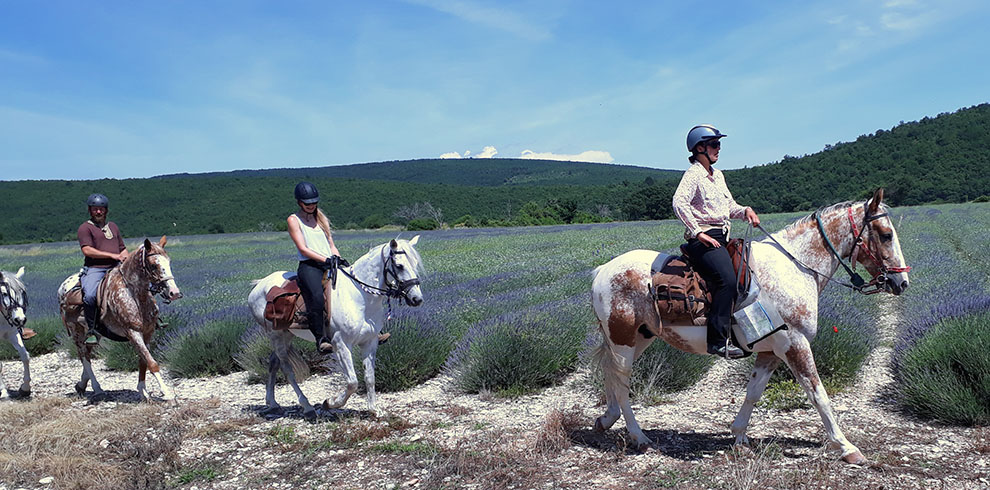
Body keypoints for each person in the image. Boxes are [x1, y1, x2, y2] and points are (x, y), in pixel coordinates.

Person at [672, 125, 760, 359]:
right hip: (704, 240)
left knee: (749, 276)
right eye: (714, 144)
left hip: (723, 236)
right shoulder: (693, 175)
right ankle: (717, 341)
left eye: (719, 144)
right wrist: (697, 232)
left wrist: (746, 211)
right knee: (727, 281)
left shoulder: (717, 175)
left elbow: (729, 206)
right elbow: (679, 203)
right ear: (699, 148)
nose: (719, 148)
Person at [287, 182, 349, 354]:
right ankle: (320, 338)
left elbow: (331, 243)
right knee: (316, 297)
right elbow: (303, 248)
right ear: (300, 203)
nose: (312, 205)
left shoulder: (320, 217)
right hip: (309, 265)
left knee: (352, 287)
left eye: (314, 202)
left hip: (329, 261)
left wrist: (337, 258)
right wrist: (326, 260)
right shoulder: (294, 220)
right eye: (308, 203)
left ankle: (369, 329)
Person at [77, 193, 129, 345]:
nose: (98, 212)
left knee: (143, 285)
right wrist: (113, 256)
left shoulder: (113, 227)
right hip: (96, 268)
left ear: (106, 210)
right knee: (90, 295)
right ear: (90, 210)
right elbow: (87, 250)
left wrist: (125, 258)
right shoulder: (85, 228)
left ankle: (152, 318)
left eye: (101, 209)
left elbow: (122, 249)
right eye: (95, 209)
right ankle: (92, 330)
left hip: (116, 267)